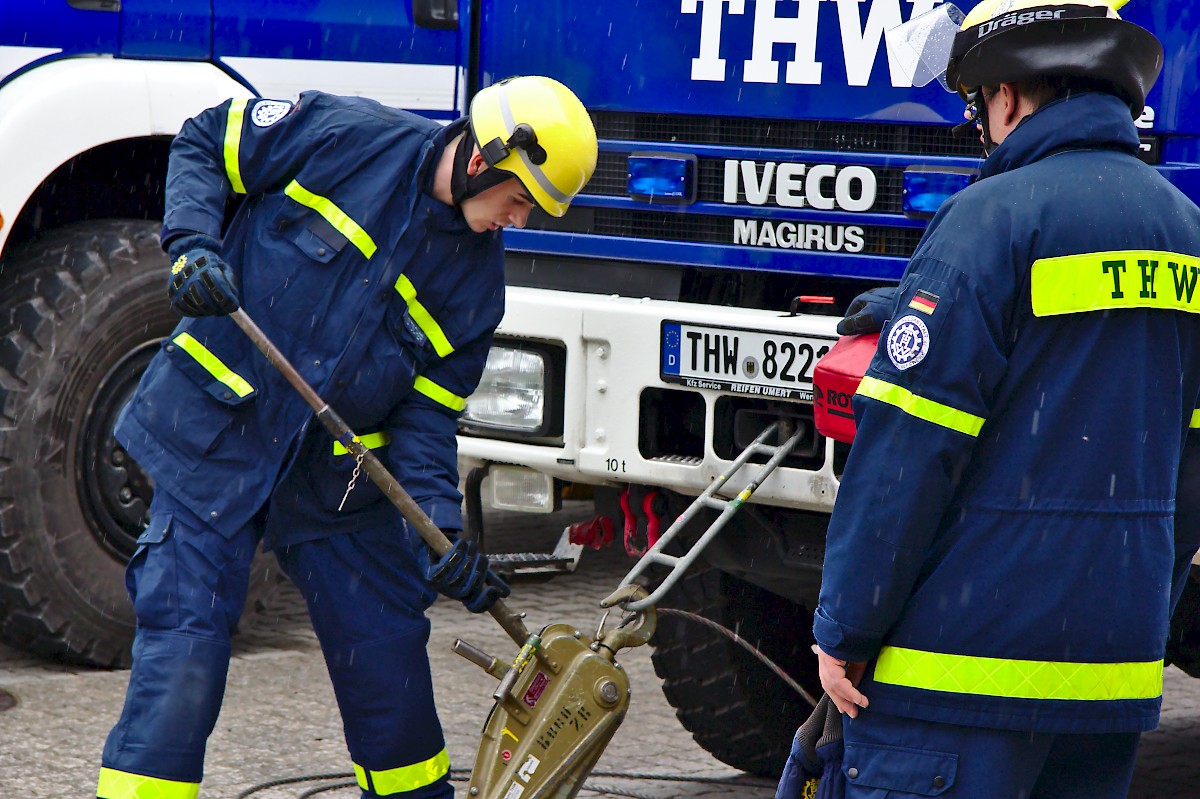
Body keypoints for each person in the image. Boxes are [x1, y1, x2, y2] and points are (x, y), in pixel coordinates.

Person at [95, 76, 597, 799]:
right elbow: (206, 138)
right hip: (214, 440)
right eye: (519, 201)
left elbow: (424, 422)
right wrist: (192, 245)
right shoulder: (342, 135)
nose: (516, 221)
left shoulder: (477, 291)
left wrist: (444, 536)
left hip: (334, 488)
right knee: (184, 660)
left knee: (388, 672)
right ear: (484, 160)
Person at [809, 1, 1200, 796]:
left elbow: (907, 454)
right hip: (1107, 684)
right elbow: (1184, 464)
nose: (981, 130)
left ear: (1011, 95)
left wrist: (845, 626)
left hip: (958, 682)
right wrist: (1138, 614)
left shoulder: (986, 223)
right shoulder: (1187, 232)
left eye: (978, 104)